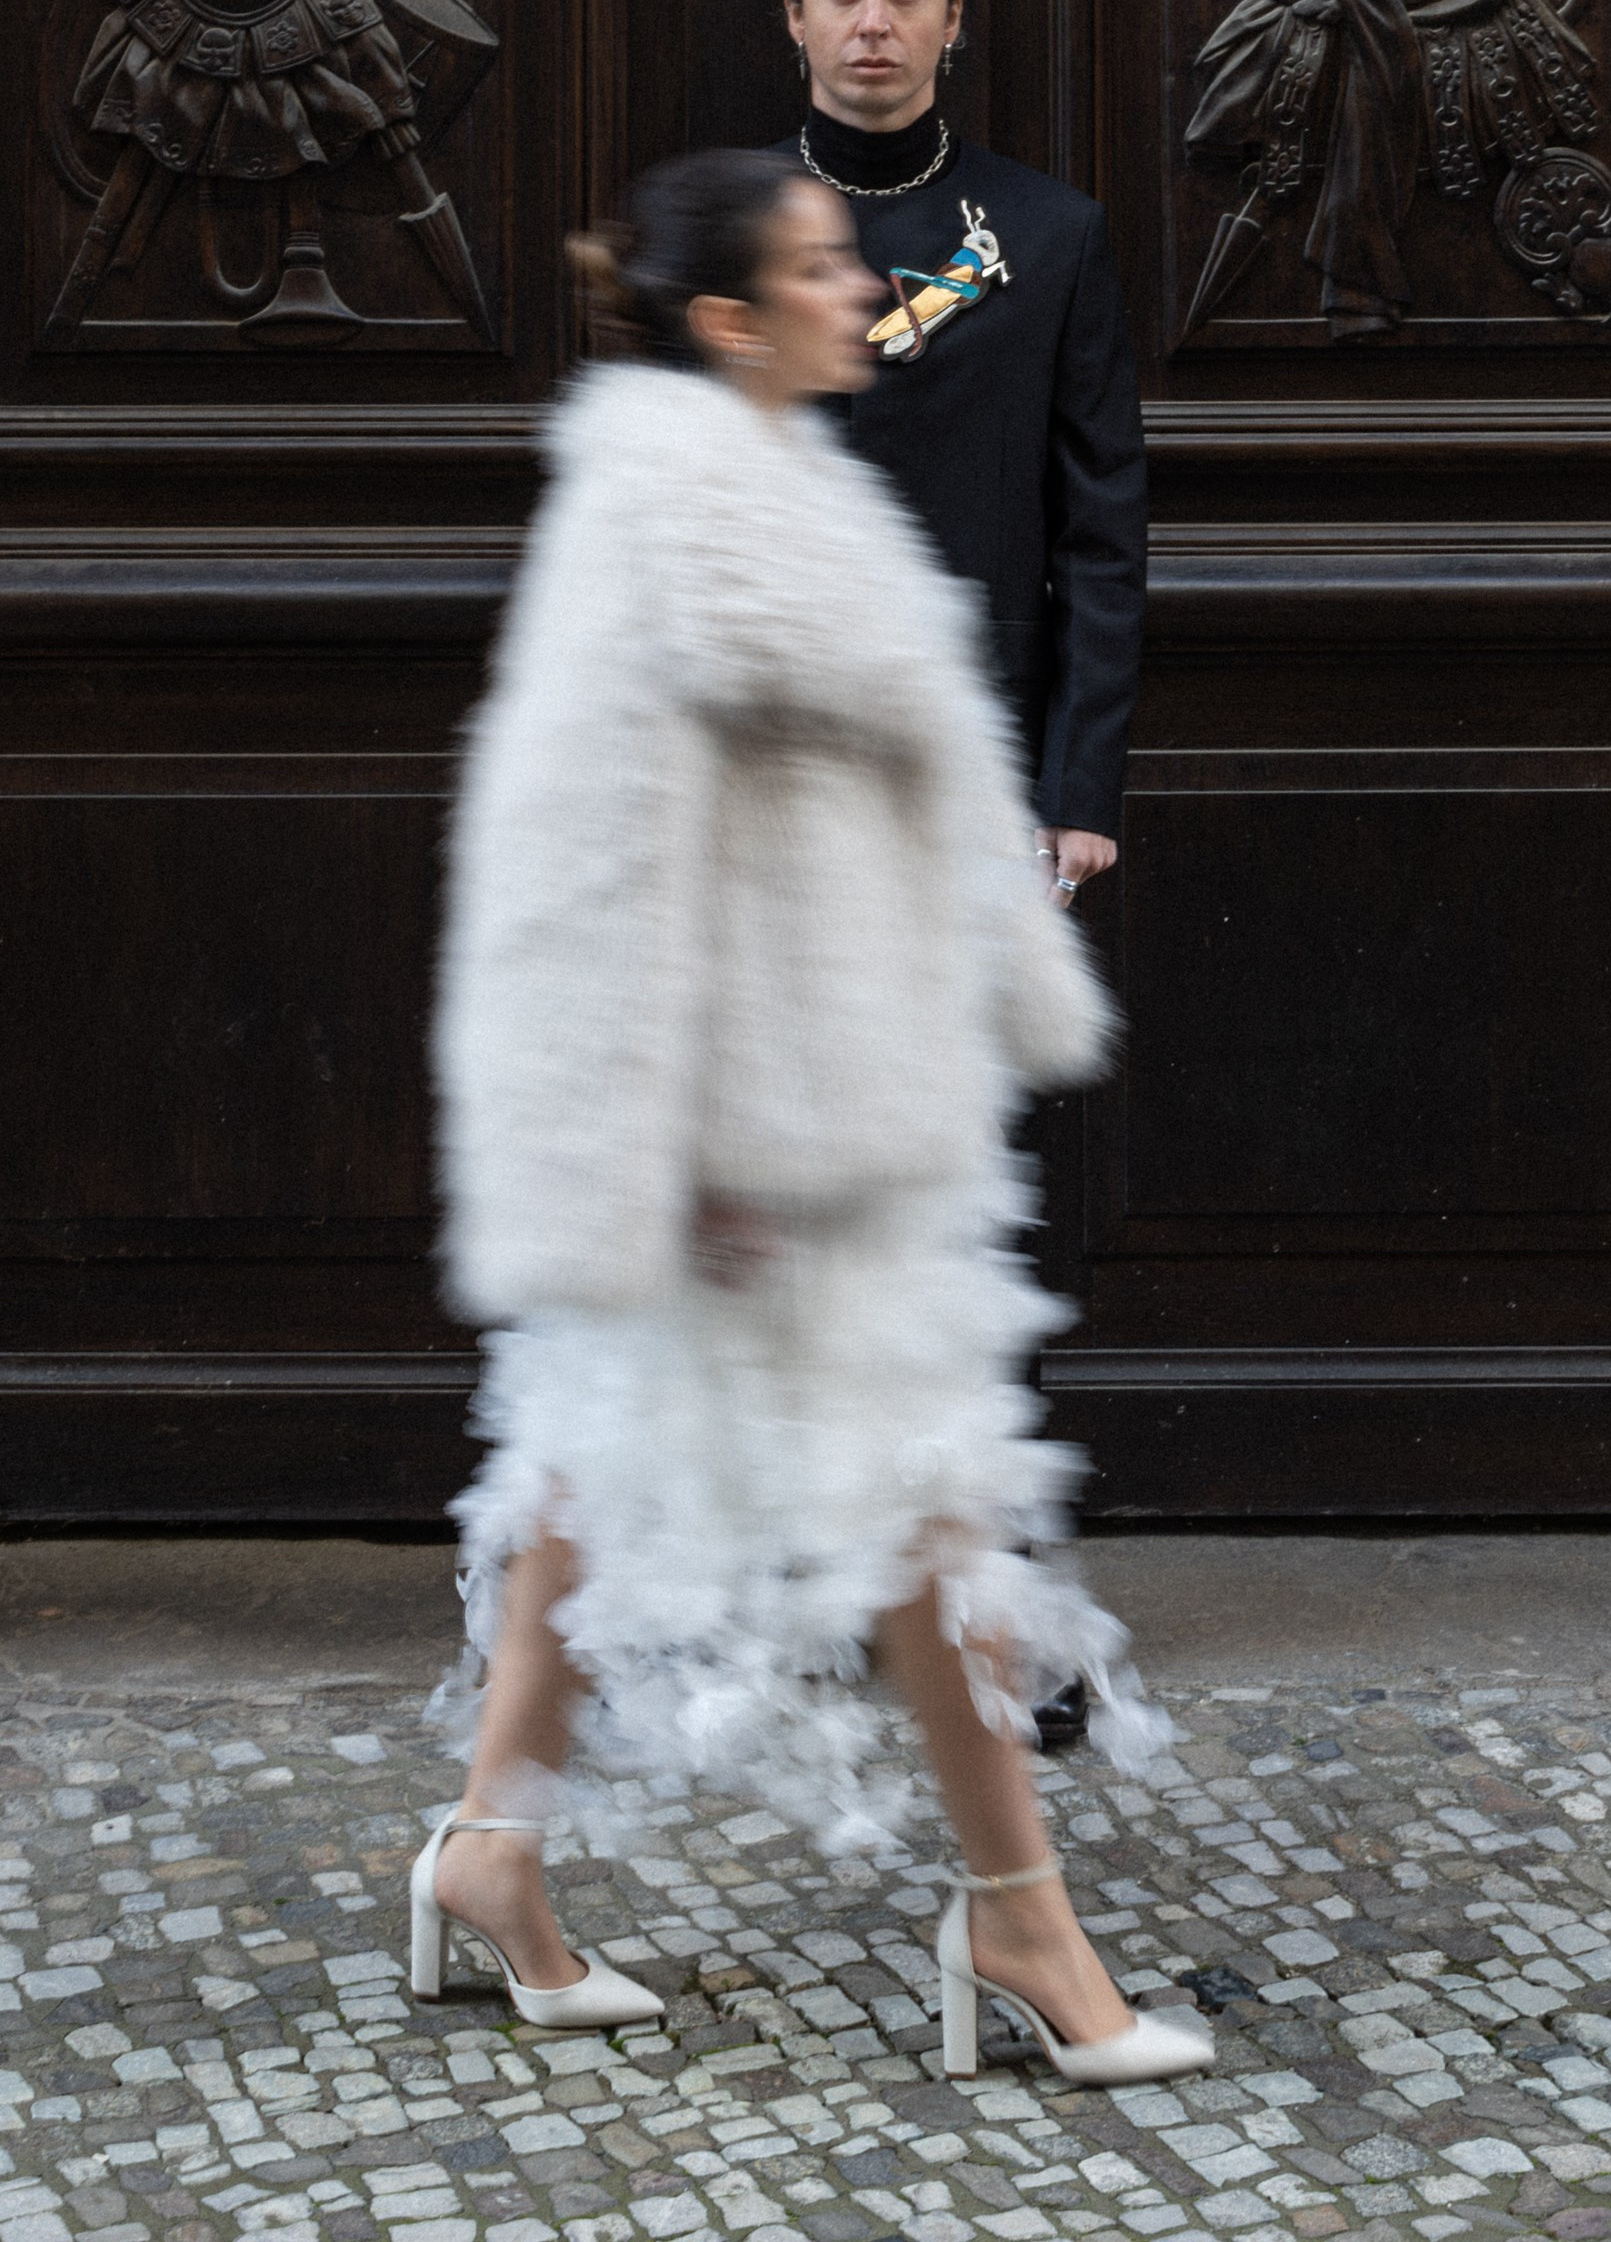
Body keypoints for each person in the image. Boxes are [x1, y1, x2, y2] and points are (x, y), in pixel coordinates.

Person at [417, 150, 1210, 2090]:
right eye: (819, 265)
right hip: (771, 1156)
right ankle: (1021, 1916)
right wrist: (665, 1162)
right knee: (939, 1523)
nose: (865, 284)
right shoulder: (677, 523)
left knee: (595, 1478)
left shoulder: (770, 492)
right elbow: (585, 872)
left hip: (816, 1123)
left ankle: (489, 1857)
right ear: (726, 321)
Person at [778, 0, 1145, 904]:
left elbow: (1100, 526)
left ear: (954, 21)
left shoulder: (1051, 233)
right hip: (776, 743)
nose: (873, 22)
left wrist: (1078, 783)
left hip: (982, 737)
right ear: (795, 18)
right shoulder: (735, 229)